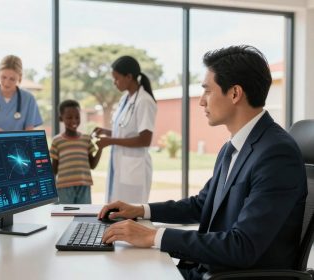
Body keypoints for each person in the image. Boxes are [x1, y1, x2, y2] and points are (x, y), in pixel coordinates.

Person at [99, 45, 307, 279]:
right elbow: (202, 204)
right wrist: (141, 210)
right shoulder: (232, 148)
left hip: (230, 275)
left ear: (235, 93)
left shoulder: (276, 154)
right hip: (207, 268)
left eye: (207, 91)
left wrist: (154, 236)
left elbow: (244, 246)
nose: (201, 102)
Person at [93, 55, 157, 204]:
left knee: (129, 213)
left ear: (129, 76)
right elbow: (125, 130)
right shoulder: (125, 99)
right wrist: (106, 132)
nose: (114, 83)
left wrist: (110, 141)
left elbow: (145, 139)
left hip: (134, 169)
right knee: (116, 209)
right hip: (121, 165)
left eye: (116, 78)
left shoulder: (144, 101)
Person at [50, 100, 103, 204]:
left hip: (84, 186)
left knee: (84, 215)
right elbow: (54, 169)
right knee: (64, 216)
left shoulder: (86, 139)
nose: (74, 120)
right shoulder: (57, 141)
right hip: (63, 188)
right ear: (61, 118)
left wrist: (100, 148)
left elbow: (92, 165)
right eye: (69, 117)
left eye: (77, 117)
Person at [0, 55, 43, 131]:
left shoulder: (28, 99)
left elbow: (29, 131)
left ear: (20, 77)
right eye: (3, 77)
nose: (6, 83)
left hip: (19, 142)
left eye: (12, 79)